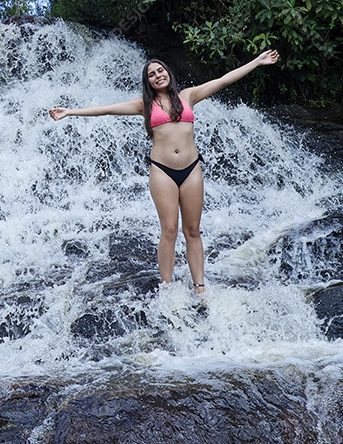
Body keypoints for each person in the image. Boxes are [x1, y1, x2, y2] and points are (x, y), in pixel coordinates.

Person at [49, 50, 280, 294]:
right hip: (162, 171)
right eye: (151, 74)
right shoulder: (144, 105)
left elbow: (223, 80)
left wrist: (257, 61)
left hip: (191, 169)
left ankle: (200, 288)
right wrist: (70, 111)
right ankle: (167, 289)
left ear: (168, 73)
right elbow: (107, 109)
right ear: (147, 81)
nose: (157, 75)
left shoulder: (188, 96)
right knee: (169, 230)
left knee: (192, 230)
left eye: (160, 70)